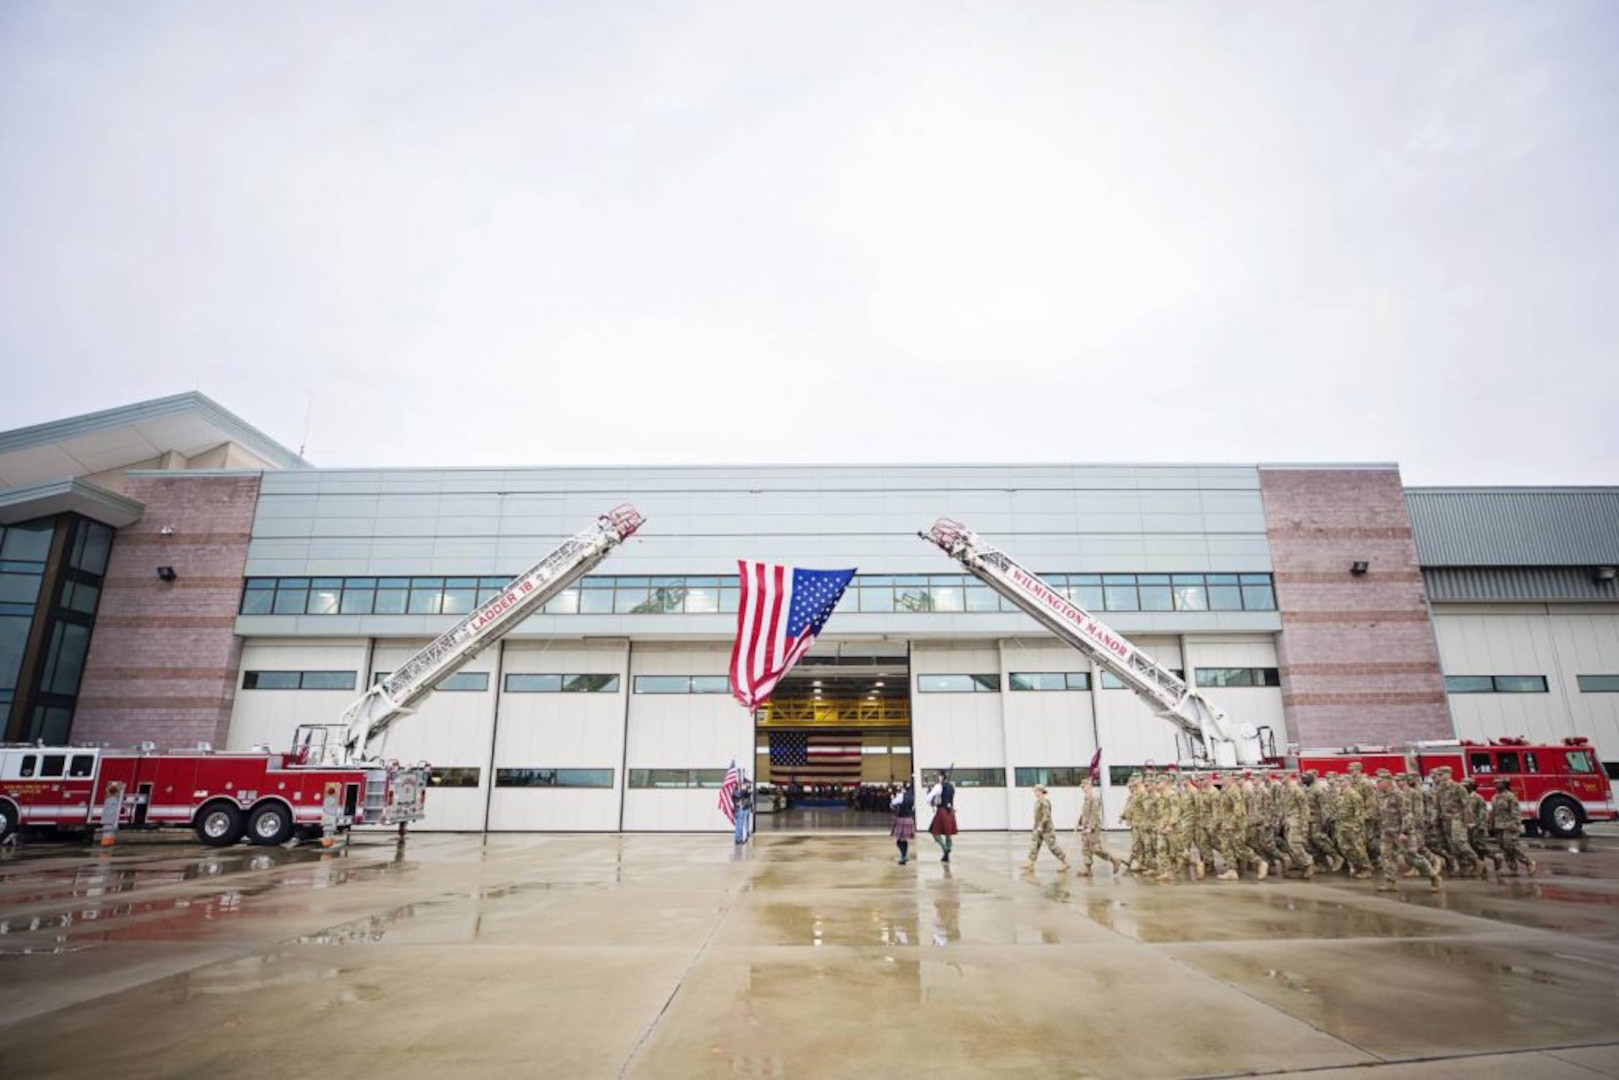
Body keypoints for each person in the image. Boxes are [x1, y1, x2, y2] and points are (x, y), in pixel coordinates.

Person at [1076, 775, 1127, 876]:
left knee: (1095, 849)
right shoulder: (1086, 799)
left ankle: (1114, 860)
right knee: (1085, 848)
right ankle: (1087, 869)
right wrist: (1080, 821)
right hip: (1086, 827)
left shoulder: (1095, 798)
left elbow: (1094, 814)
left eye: (1084, 786)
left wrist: (1090, 827)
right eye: (1082, 787)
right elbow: (1085, 813)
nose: (1083, 788)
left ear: (1090, 786)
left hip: (1093, 828)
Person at [1022, 784, 1069, 871]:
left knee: (1052, 846)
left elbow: (1046, 815)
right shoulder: (1038, 801)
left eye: (1036, 791)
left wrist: (1041, 826)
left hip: (1046, 828)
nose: (1035, 792)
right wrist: (1036, 826)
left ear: (1040, 791)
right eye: (1035, 791)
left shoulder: (1044, 801)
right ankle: (1031, 862)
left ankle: (1064, 862)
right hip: (1038, 827)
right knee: (1034, 845)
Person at [926, 770, 957, 862]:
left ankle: (945, 848)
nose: (938, 778)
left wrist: (929, 797)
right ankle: (946, 854)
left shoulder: (939, 786)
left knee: (935, 832)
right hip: (950, 811)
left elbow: (929, 798)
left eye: (939, 776)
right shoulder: (951, 786)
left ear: (943, 777)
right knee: (948, 834)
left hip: (942, 811)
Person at [890, 782, 917, 864]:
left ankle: (903, 856)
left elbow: (892, 804)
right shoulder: (913, 797)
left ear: (903, 789)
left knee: (899, 841)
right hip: (909, 819)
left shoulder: (901, 796)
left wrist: (892, 798)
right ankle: (904, 856)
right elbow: (913, 808)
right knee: (904, 840)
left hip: (901, 819)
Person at [733, 776, 753, 844]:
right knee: (739, 824)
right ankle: (738, 838)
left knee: (741, 824)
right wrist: (743, 790)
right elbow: (738, 795)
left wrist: (746, 790)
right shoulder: (735, 791)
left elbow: (748, 794)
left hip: (744, 808)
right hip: (739, 809)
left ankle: (740, 838)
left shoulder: (745, 790)